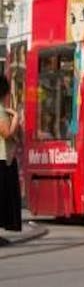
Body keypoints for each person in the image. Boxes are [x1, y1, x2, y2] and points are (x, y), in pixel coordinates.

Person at [0, 74, 21, 234]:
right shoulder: (0, 111)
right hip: (2, 159)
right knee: (3, 198)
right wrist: (16, 118)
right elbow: (6, 133)